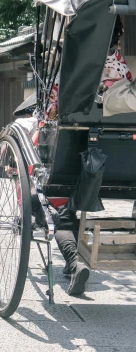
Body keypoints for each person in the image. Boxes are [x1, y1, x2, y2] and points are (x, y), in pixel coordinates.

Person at [45, 17, 132, 295]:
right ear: (116, 40)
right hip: (124, 167)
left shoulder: (71, 70)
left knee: (63, 209)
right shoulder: (123, 73)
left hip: (77, 161)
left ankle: (74, 260)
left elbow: (51, 113)